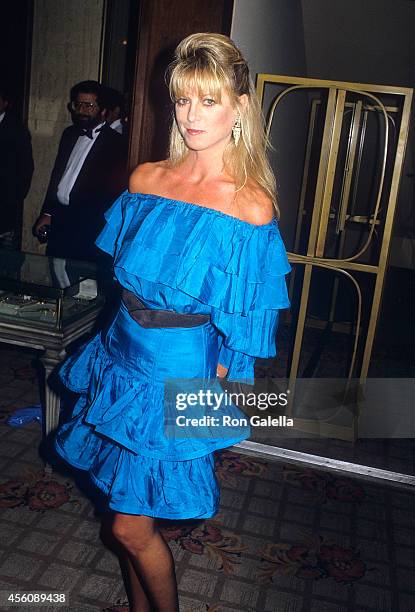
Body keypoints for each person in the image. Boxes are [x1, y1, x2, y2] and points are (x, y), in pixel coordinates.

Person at [54, 33, 291, 612]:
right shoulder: (146, 179)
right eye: (183, 100)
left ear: (239, 107)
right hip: (119, 355)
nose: (191, 116)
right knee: (120, 510)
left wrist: (209, 396)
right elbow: (125, 280)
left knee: (131, 528)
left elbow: (243, 324)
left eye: (208, 101)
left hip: (176, 373)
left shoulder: (249, 205)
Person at [33, 80, 126, 262]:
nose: (82, 110)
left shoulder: (116, 143)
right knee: (55, 275)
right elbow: (57, 177)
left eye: (89, 105)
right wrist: (48, 213)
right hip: (60, 221)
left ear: (103, 110)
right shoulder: (69, 134)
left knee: (83, 283)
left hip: (88, 227)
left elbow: (112, 193)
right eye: (78, 105)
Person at [0, 85, 34, 249]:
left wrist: (13, 198)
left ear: (5, 103)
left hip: (5, 204)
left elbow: (26, 168)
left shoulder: (16, 130)